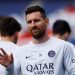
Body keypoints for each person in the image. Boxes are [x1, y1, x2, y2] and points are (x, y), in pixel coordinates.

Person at [0, 6, 75, 75]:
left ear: (46, 21)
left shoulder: (64, 46)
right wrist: (9, 68)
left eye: (36, 20)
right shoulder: (21, 51)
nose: (33, 25)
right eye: (29, 22)